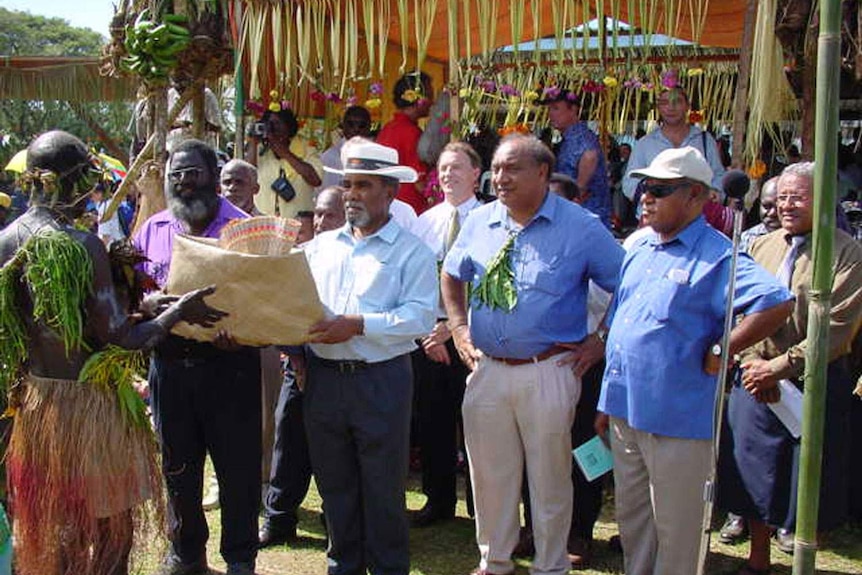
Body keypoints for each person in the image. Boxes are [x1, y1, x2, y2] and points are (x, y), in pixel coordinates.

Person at [0, 130, 221, 575]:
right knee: (109, 537)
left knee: (51, 527)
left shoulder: (7, 239)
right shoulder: (80, 245)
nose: (91, 191)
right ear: (71, 180)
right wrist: (179, 310)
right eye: (88, 180)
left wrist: (140, 305)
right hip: (89, 407)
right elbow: (123, 340)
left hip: (37, 406)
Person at [596, 146, 794, 575]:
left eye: (659, 189)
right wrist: (604, 403)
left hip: (679, 420)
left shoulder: (718, 254)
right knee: (633, 523)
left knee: (678, 530)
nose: (645, 196)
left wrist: (724, 349)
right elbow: (620, 328)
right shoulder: (640, 246)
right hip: (625, 411)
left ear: (695, 197)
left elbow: (776, 302)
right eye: (643, 187)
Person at [441, 134, 624, 575]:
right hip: (487, 370)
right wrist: (459, 328)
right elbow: (451, 275)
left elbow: (628, 283)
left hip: (549, 369)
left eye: (512, 169)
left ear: (542, 172)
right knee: (489, 475)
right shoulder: (482, 221)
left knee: (549, 477)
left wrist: (600, 339)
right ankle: (495, 561)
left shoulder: (580, 227)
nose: (499, 178)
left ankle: (550, 565)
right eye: (496, 169)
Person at [297, 137, 437, 574]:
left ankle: (389, 568)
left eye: (363, 185)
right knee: (335, 485)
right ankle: (343, 566)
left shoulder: (412, 251)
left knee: (382, 489)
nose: (351, 194)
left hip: (381, 381)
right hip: (323, 380)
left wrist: (356, 324)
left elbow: (418, 319)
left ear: (390, 193)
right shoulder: (319, 248)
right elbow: (292, 304)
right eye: (348, 185)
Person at [718, 161, 862, 575]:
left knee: (806, 476)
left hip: (810, 379)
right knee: (753, 471)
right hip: (753, 376)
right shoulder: (760, 246)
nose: (786, 205)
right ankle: (757, 556)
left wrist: (781, 367)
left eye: (797, 197)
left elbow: (836, 325)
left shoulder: (846, 252)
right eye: (782, 197)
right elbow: (737, 307)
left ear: (822, 201)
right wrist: (750, 363)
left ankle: (803, 557)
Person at [134, 139, 263, 575]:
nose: (185, 183)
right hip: (169, 369)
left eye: (194, 173)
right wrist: (148, 305)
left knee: (238, 473)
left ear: (214, 176)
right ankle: (188, 556)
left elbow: (268, 299)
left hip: (231, 367)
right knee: (178, 471)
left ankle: (240, 559)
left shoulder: (245, 229)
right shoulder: (152, 229)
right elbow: (131, 294)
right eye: (177, 175)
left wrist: (244, 334)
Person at [258, 186, 347, 549]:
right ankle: (279, 520)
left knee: (335, 451)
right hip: (298, 365)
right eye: (320, 214)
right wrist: (295, 357)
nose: (324, 222)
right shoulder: (300, 257)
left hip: (340, 367)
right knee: (288, 445)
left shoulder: (354, 258)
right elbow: (278, 310)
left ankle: (337, 522)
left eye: (333, 214)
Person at [409, 142, 484, 527]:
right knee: (433, 422)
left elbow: (490, 287)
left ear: (476, 173)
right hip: (430, 338)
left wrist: (453, 329)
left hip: (475, 337)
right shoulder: (426, 221)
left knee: (477, 423)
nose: (448, 174)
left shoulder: (491, 220)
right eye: (442, 168)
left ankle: (479, 506)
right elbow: (415, 282)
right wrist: (431, 332)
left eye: (456, 167)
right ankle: (437, 501)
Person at [622, 87, 725, 204]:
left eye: (677, 101)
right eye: (665, 103)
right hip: (656, 217)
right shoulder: (645, 143)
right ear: (658, 108)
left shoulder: (704, 140)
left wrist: (713, 192)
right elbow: (629, 183)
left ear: (687, 106)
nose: (671, 108)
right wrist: (654, 195)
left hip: (697, 214)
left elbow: (719, 175)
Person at [542, 89, 611, 227]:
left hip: (583, 216)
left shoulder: (582, 139)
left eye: (555, 108)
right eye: (549, 109)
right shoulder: (572, 139)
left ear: (573, 110)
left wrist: (577, 191)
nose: (551, 114)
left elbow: (590, 157)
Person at [247, 106, 323, 219]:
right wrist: (253, 143)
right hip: (264, 222)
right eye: (268, 124)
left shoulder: (306, 149)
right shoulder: (259, 150)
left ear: (289, 126)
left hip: (298, 222)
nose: (272, 128)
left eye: (276, 123)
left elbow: (315, 180)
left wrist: (285, 153)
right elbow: (247, 176)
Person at [376, 71, 435, 215]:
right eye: (429, 95)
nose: (432, 102)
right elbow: (420, 184)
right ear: (417, 98)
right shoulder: (411, 133)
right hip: (410, 210)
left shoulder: (387, 129)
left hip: (387, 206)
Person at [319, 106, 372, 190]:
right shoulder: (330, 156)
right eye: (351, 124)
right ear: (343, 125)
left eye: (362, 125)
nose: (356, 129)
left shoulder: (375, 155)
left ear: (369, 127)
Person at [739, 176, 781, 253]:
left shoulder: (800, 241)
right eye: (766, 206)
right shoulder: (747, 237)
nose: (772, 213)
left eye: (778, 207)